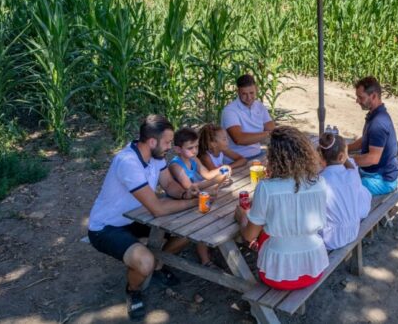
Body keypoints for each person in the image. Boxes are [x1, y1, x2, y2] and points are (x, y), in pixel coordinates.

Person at [88, 115, 199, 321]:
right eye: (167, 142)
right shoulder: (127, 162)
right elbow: (157, 209)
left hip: (138, 217)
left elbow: (169, 186)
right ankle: (133, 289)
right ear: (151, 142)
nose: (170, 146)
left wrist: (186, 193)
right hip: (107, 227)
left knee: (191, 229)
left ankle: (157, 264)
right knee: (144, 262)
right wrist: (193, 203)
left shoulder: (157, 157)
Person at [234, 126, 329, 290]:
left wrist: (242, 218)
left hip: (279, 275)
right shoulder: (319, 183)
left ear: (273, 157)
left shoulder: (266, 188)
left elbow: (249, 236)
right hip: (314, 267)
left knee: (262, 231)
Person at [168, 127, 231, 267]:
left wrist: (222, 170)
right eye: (190, 148)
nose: (195, 151)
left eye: (196, 147)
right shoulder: (175, 166)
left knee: (214, 211)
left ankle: (212, 249)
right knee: (205, 219)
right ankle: (205, 259)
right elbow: (189, 187)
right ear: (178, 149)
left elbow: (207, 175)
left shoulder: (194, 159)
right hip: (179, 203)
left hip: (194, 198)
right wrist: (215, 181)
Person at [317, 132, 371, 250]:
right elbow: (350, 165)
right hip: (352, 232)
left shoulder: (320, 181)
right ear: (342, 157)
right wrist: (344, 156)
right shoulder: (352, 174)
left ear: (320, 157)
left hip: (329, 240)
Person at [348, 76, 398, 195]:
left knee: (346, 189)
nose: (357, 101)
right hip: (372, 174)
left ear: (373, 96)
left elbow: (372, 158)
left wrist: (348, 159)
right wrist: (346, 148)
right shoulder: (374, 114)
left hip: (382, 180)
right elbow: (365, 140)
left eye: (361, 97)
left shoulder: (378, 123)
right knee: (342, 177)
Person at [221, 74, 275, 159]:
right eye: (244, 94)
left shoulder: (259, 106)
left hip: (258, 153)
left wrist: (269, 133)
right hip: (238, 159)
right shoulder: (230, 111)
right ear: (238, 92)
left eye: (251, 93)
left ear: (256, 89)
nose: (249, 97)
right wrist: (267, 134)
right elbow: (239, 139)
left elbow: (271, 128)